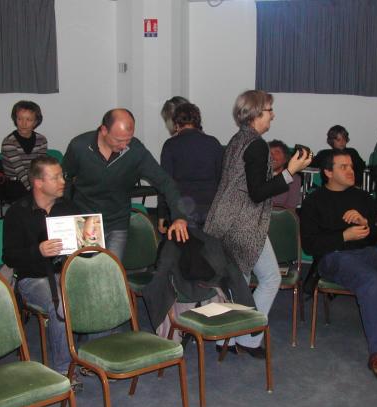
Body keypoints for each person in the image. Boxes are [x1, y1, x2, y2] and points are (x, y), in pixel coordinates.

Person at [204, 90, 311, 357]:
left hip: (227, 220)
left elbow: (245, 182)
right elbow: (256, 192)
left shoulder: (238, 140)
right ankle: (245, 339)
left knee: (239, 281)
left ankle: (227, 340)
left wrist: (278, 174)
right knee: (269, 278)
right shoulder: (257, 145)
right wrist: (290, 172)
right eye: (269, 110)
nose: (273, 115)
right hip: (243, 225)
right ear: (254, 114)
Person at [301, 149, 377, 382]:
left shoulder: (362, 197)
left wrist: (366, 223)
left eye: (351, 166)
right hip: (333, 256)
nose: (350, 171)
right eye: (343, 167)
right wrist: (344, 236)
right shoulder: (313, 201)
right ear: (327, 172)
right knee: (370, 280)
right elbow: (310, 245)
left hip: (365, 251)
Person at [63, 108, 188, 260]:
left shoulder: (135, 150)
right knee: (88, 273)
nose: (124, 146)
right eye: (119, 140)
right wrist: (65, 214)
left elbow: (165, 182)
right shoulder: (80, 146)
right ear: (104, 130)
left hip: (117, 221)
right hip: (87, 220)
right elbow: (65, 180)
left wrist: (179, 216)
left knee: (112, 272)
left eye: (128, 139)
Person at [2, 155, 78, 377]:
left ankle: (96, 356)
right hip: (33, 278)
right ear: (38, 183)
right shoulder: (18, 212)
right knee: (60, 305)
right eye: (55, 177)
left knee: (99, 288)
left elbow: (83, 247)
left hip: (64, 273)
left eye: (62, 175)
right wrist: (38, 251)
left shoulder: (68, 207)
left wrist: (87, 245)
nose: (63, 181)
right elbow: (9, 257)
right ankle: (64, 370)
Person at [158, 102, 223, 232]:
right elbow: (222, 179)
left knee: (187, 250)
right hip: (211, 208)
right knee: (210, 249)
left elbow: (165, 183)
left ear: (176, 124)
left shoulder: (170, 145)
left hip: (182, 209)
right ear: (198, 122)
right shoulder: (213, 143)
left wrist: (161, 216)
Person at [1, 100, 48, 201]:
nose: (23, 123)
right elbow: (20, 171)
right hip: (15, 184)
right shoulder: (9, 142)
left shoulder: (41, 140)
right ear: (15, 119)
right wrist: (36, 190)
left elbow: (40, 166)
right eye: (20, 119)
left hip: (35, 181)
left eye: (29, 120)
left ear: (36, 122)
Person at [269, 140, 301, 209]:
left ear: (285, 159)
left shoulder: (293, 178)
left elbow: (291, 209)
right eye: (269, 153)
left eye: (277, 152)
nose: (272, 156)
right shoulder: (257, 175)